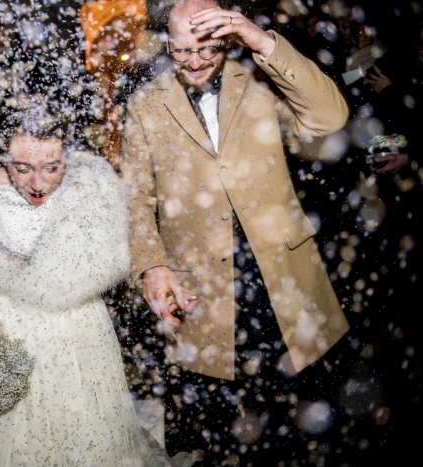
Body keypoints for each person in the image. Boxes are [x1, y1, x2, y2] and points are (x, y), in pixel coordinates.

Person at [121, 0, 350, 463]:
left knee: (301, 417)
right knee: (219, 429)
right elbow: (135, 200)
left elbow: (331, 119)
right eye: (182, 50)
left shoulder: (262, 83)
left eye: (207, 48)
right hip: (202, 287)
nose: (195, 61)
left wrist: (262, 41)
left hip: (280, 275)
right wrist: (152, 265)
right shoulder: (145, 105)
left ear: (228, 39)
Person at [0, 102, 174, 467]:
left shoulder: (89, 186)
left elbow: (109, 258)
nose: (37, 183)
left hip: (76, 324)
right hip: (7, 326)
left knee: (84, 424)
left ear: (68, 157)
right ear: (4, 157)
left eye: (51, 168)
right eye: (22, 168)